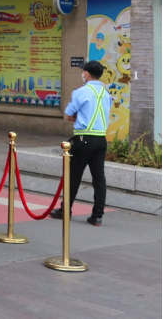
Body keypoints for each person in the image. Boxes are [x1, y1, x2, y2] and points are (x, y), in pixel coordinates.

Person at [50, 60, 110, 226]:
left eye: (83, 71)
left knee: (74, 176)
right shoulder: (106, 93)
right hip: (101, 139)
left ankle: (65, 210)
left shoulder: (80, 92)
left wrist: (80, 116)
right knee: (99, 178)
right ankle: (97, 215)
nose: (82, 73)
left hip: (83, 139)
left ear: (87, 74)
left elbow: (69, 113)